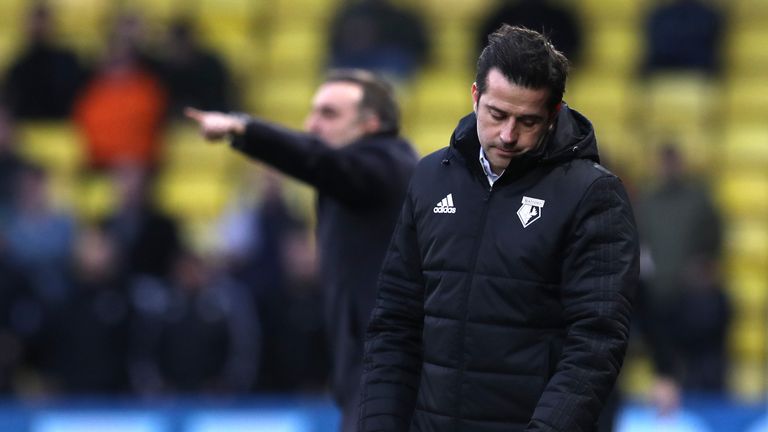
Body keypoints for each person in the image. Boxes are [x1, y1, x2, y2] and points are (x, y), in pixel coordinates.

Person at [357, 25, 639, 431]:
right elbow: (395, 322)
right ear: (475, 97)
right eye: (497, 114)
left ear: (554, 114)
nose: (508, 135)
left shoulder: (593, 195)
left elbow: (595, 344)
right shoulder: (430, 178)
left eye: (527, 120)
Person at [185, 69, 419, 431]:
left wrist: (244, 129)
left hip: (394, 378)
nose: (312, 125)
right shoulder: (356, 175)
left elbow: (318, 160)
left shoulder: (389, 164)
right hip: (365, 373)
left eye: (328, 114)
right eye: (312, 112)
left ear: (371, 122)